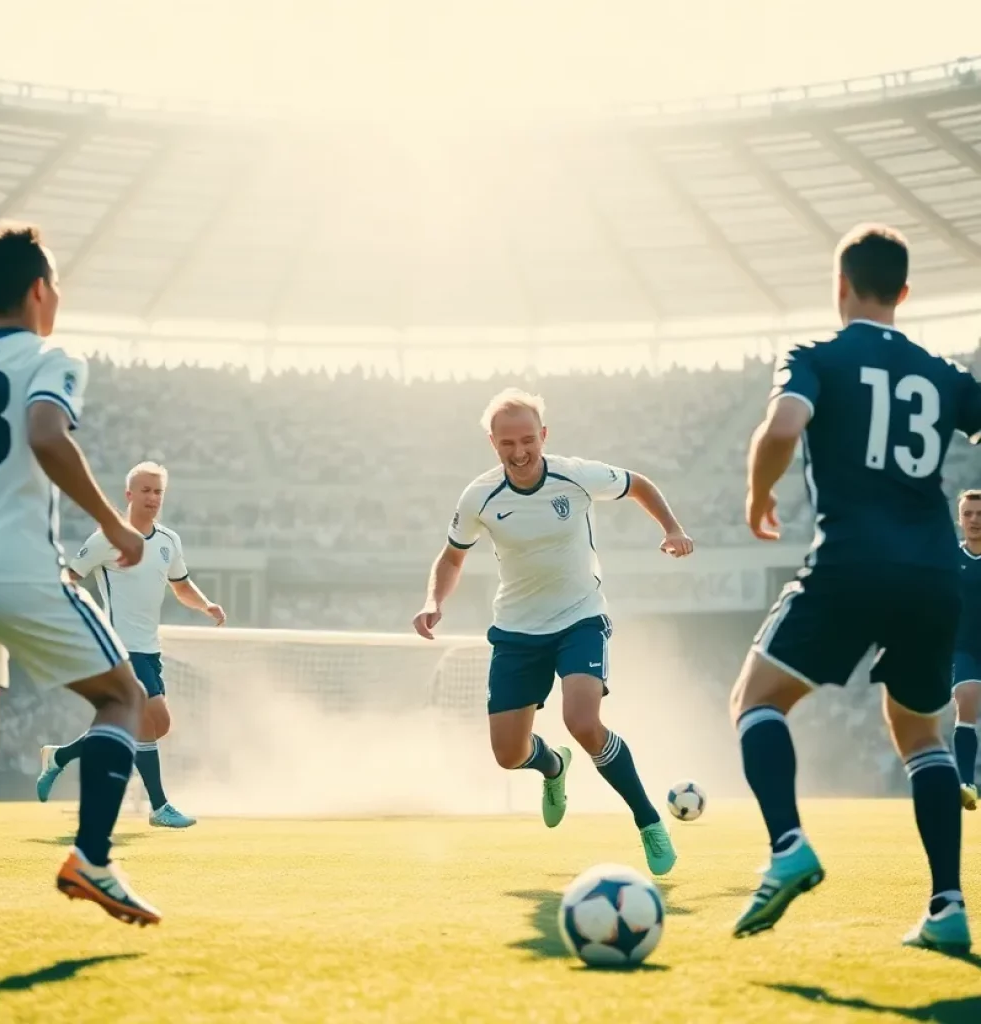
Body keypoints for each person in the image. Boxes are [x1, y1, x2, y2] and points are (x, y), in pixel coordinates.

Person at [731, 223, 978, 953]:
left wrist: (757, 497)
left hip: (851, 562)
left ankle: (787, 845)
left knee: (756, 700)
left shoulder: (817, 356)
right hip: (935, 572)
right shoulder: (943, 374)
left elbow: (782, 425)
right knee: (923, 737)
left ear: (839, 287)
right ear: (904, 292)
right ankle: (948, 905)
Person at [0, 220, 159, 925]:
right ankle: (92, 861)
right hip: (15, 568)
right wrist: (112, 524)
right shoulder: (51, 355)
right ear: (41, 290)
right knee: (122, 697)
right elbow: (46, 433)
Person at [412, 388, 694, 876]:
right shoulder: (479, 496)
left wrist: (671, 528)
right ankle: (552, 767)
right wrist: (434, 601)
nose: (519, 452)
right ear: (492, 443)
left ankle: (648, 821)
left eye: (527, 440)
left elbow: (638, 484)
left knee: (583, 722)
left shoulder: (576, 476)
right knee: (507, 755)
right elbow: (453, 555)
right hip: (517, 631)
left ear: (544, 435)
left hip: (580, 618)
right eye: (506, 444)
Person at [36, 461, 225, 827]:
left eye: (158, 492)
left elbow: (181, 586)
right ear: (129, 495)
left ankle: (59, 757)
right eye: (146, 491)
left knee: (155, 725)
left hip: (149, 650)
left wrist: (205, 604)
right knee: (146, 722)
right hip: (121, 648)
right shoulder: (107, 538)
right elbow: (69, 578)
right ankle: (159, 807)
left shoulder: (169, 541)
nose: (153, 498)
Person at [952, 489, 981, 810]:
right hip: (962, 648)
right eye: (968, 514)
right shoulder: (949, 558)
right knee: (968, 697)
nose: (975, 520)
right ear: (959, 519)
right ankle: (966, 783)